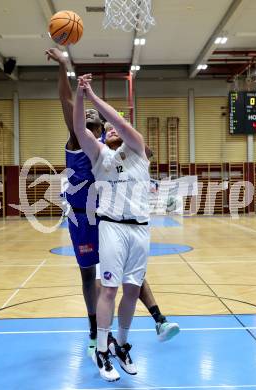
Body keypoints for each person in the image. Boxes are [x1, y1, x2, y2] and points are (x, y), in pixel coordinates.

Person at [45, 48, 179, 357]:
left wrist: (124, 143)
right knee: (88, 277)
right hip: (82, 217)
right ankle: (95, 330)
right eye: (96, 123)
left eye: (101, 125)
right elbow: (67, 105)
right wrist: (64, 67)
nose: (99, 126)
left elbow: (147, 154)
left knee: (129, 274)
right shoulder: (81, 143)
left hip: (108, 218)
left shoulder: (111, 150)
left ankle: (158, 318)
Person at [73, 73, 155, 381]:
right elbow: (80, 128)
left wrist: (95, 98)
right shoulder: (100, 156)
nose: (109, 131)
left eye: (112, 128)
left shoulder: (137, 150)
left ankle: (121, 345)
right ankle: (103, 352)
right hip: (112, 228)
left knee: (132, 291)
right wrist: (82, 94)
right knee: (108, 289)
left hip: (141, 229)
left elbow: (120, 124)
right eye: (105, 131)